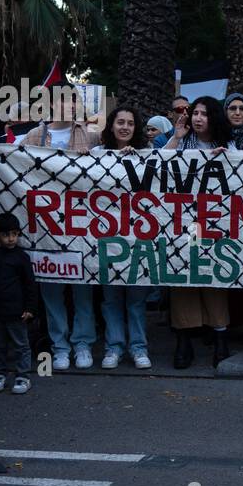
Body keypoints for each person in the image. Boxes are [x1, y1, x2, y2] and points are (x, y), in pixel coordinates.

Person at [17, 86, 100, 370]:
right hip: (46, 227)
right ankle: (60, 346)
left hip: (82, 226)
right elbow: (11, 164)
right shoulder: (33, 136)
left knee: (83, 289)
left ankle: (83, 344)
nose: (69, 105)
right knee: (51, 290)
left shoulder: (92, 134)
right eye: (63, 100)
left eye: (73, 100)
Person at [166, 97, 232, 367]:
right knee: (184, 275)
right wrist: (176, 137)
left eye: (204, 114)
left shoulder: (230, 146)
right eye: (194, 113)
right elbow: (158, 164)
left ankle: (220, 337)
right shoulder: (181, 143)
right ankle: (184, 339)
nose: (198, 118)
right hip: (184, 222)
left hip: (217, 222)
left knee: (212, 276)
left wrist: (236, 158)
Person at [94, 106, 153, 369]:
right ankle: (113, 347)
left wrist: (136, 159)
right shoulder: (96, 155)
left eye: (130, 123)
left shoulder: (148, 155)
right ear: (112, 125)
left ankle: (139, 348)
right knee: (111, 299)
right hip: (107, 239)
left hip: (139, 239)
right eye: (120, 122)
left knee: (136, 300)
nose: (125, 127)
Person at [0, 212, 37, 394]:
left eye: (14, 234)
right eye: (6, 235)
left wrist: (30, 308)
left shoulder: (21, 257)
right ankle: (0, 373)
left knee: (21, 345)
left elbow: (30, 284)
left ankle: (23, 376)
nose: (11, 239)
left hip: (17, 311)